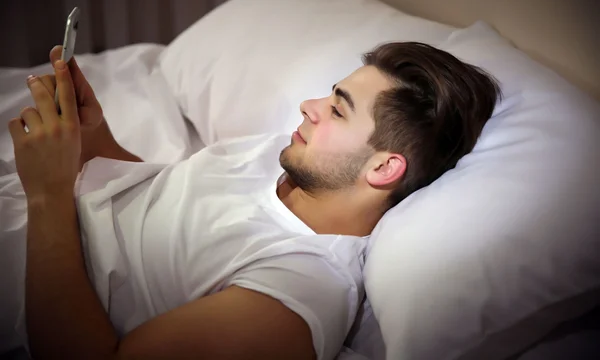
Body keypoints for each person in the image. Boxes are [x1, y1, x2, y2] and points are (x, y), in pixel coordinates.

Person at [1, 42, 500, 360]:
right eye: (330, 95)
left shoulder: (297, 290)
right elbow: (161, 197)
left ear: (384, 168)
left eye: (338, 111)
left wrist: (47, 196)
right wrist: (94, 134)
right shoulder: (285, 158)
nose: (309, 106)